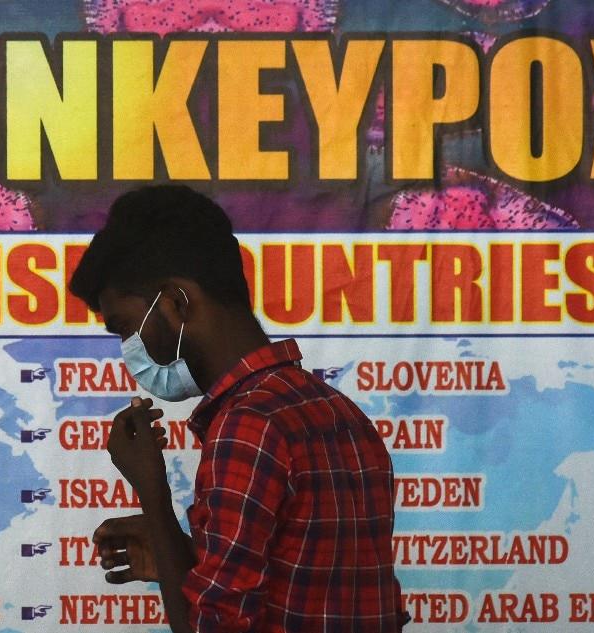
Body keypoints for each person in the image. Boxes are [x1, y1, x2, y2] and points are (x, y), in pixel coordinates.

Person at [69, 184, 408, 632]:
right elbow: (309, 585)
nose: (130, 349)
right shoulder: (339, 413)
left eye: (126, 327)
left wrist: (151, 490)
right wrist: (178, 551)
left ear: (175, 302)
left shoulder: (247, 428)